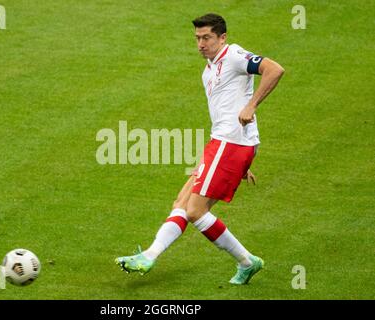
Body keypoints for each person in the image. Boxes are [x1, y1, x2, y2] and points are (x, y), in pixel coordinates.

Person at [115, 13, 284, 285]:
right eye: (197, 38)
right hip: (224, 145)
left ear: (222, 37)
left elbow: (274, 69)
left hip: (230, 145)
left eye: (206, 38)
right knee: (182, 202)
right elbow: (227, 109)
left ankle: (247, 261)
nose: (201, 44)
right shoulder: (208, 70)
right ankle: (149, 255)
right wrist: (244, 159)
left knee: (195, 210)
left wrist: (252, 106)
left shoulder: (234, 56)